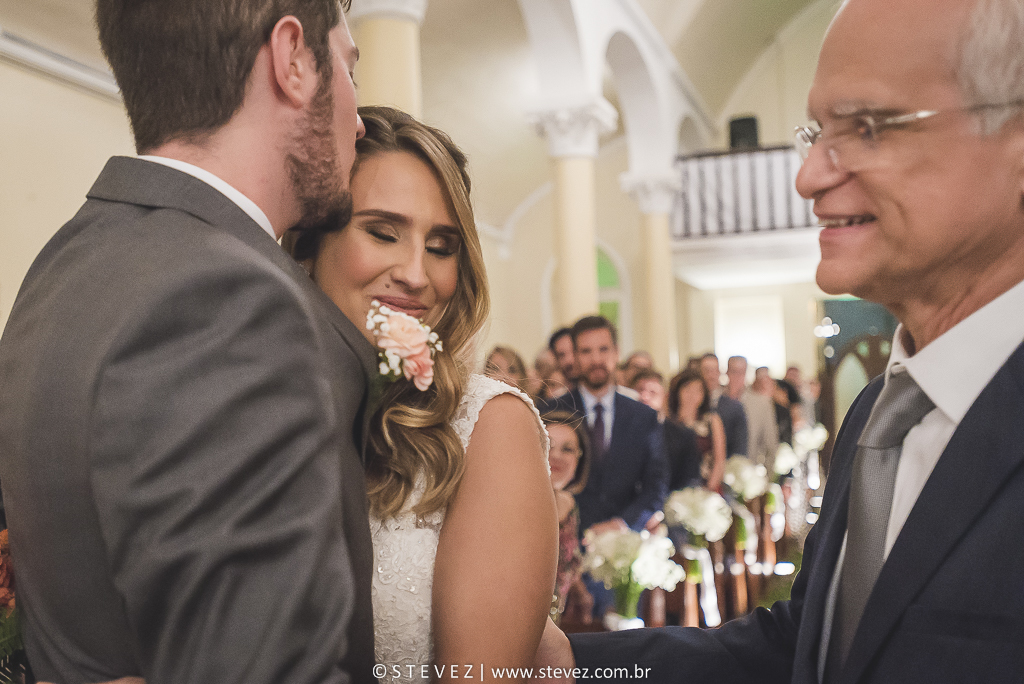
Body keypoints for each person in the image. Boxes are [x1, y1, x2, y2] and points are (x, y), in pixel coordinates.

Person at [533, 0, 1024, 681]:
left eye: (869, 128)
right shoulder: (878, 412)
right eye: (817, 133)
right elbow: (816, 642)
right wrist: (568, 663)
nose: (808, 177)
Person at [0, 2, 376, 682]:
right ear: (292, 58)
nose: (359, 117)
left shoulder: (65, 262)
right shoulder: (226, 297)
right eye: (348, 68)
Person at [287, 106, 557, 680]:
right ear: (308, 246)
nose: (416, 273)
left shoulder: (487, 427)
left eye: (441, 246)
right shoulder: (264, 412)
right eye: (383, 233)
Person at [541, 315, 667, 619]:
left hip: (621, 549)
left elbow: (656, 487)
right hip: (559, 547)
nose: (596, 359)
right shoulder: (551, 410)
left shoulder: (643, 416)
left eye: (603, 349)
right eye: (586, 351)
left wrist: (621, 525)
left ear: (616, 353)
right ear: (573, 356)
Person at [541, 410, 594, 624]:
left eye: (568, 449)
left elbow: (569, 560)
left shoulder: (568, 503)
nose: (556, 456)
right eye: (548, 445)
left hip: (555, 619)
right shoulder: (516, 504)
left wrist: (581, 593)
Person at [632, 369, 702, 492]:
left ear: (664, 397)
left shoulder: (682, 435)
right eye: (640, 390)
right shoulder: (618, 432)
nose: (644, 397)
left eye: (652, 392)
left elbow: (689, 480)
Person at [667, 370, 726, 492]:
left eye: (698, 390)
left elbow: (719, 460)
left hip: (707, 487)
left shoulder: (711, 420)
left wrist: (707, 490)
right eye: (687, 389)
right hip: (675, 488)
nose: (692, 395)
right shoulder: (669, 423)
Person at [726, 356, 780, 473]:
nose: (737, 376)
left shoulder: (761, 403)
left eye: (741, 372)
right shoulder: (716, 400)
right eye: (733, 371)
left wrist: (767, 478)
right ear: (727, 372)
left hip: (749, 472)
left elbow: (770, 444)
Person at [699, 353, 749, 458]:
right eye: (706, 370)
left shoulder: (733, 405)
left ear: (719, 372)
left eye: (714, 370)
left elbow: (739, 446)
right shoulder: (695, 403)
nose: (710, 375)